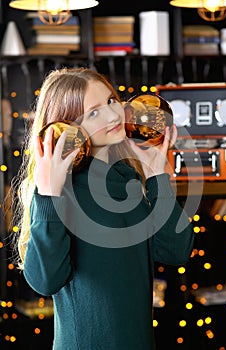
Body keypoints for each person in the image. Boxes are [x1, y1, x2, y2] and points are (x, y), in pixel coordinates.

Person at [11, 67, 194, 350]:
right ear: (68, 127)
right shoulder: (60, 190)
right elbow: (45, 281)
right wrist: (48, 194)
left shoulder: (127, 178)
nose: (113, 114)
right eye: (94, 112)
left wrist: (159, 176)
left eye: (111, 101)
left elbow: (175, 252)